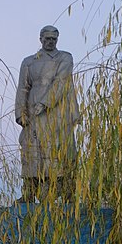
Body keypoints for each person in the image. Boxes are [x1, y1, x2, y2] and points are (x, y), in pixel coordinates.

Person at [15, 25, 80, 202]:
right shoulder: (29, 61)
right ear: (41, 39)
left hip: (57, 111)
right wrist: (21, 113)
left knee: (57, 149)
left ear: (57, 39)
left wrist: (45, 103)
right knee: (31, 149)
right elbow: (23, 87)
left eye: (53, 38)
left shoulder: (65, 58)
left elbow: (61, 82)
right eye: (47, 38)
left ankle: (60, 190)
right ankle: (29, 191)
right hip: (32, 111)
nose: (50, 41)